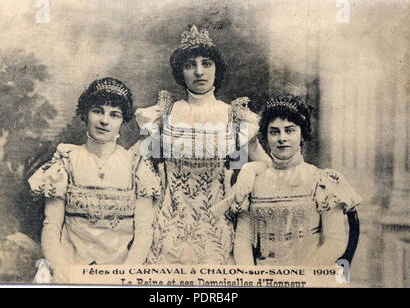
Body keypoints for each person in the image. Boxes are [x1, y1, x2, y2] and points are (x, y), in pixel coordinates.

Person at [136, 25, 270, 265]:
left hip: (218, 231)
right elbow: (141, 162)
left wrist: (249, 171)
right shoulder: (164, 113)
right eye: (190, 65)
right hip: (166, 230)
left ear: (216, 68)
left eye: (206, 63)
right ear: (181, 71)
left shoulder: (235, 116)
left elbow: (266, 165)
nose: (199, 72)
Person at [29, 78, 161, 283]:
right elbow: (51, 226)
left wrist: (126, 275)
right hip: (70, 270)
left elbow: (144, 231)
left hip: (121, 273)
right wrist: (62, 271)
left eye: (114, 115)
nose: (104, 121)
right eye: (98, 111)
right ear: (85, 114)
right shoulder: (66, 161)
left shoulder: (136, 165)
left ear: (122, 121)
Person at [233, 95, 361, 266]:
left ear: (302, 135)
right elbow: (242, 240)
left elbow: (334, 242)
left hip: (309, 278)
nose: (282, 138)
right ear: (266, 137)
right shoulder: (253, 183)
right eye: (274, 132)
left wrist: (300, 278)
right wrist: (250, 279)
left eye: (290, 130)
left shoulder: (321, 181)